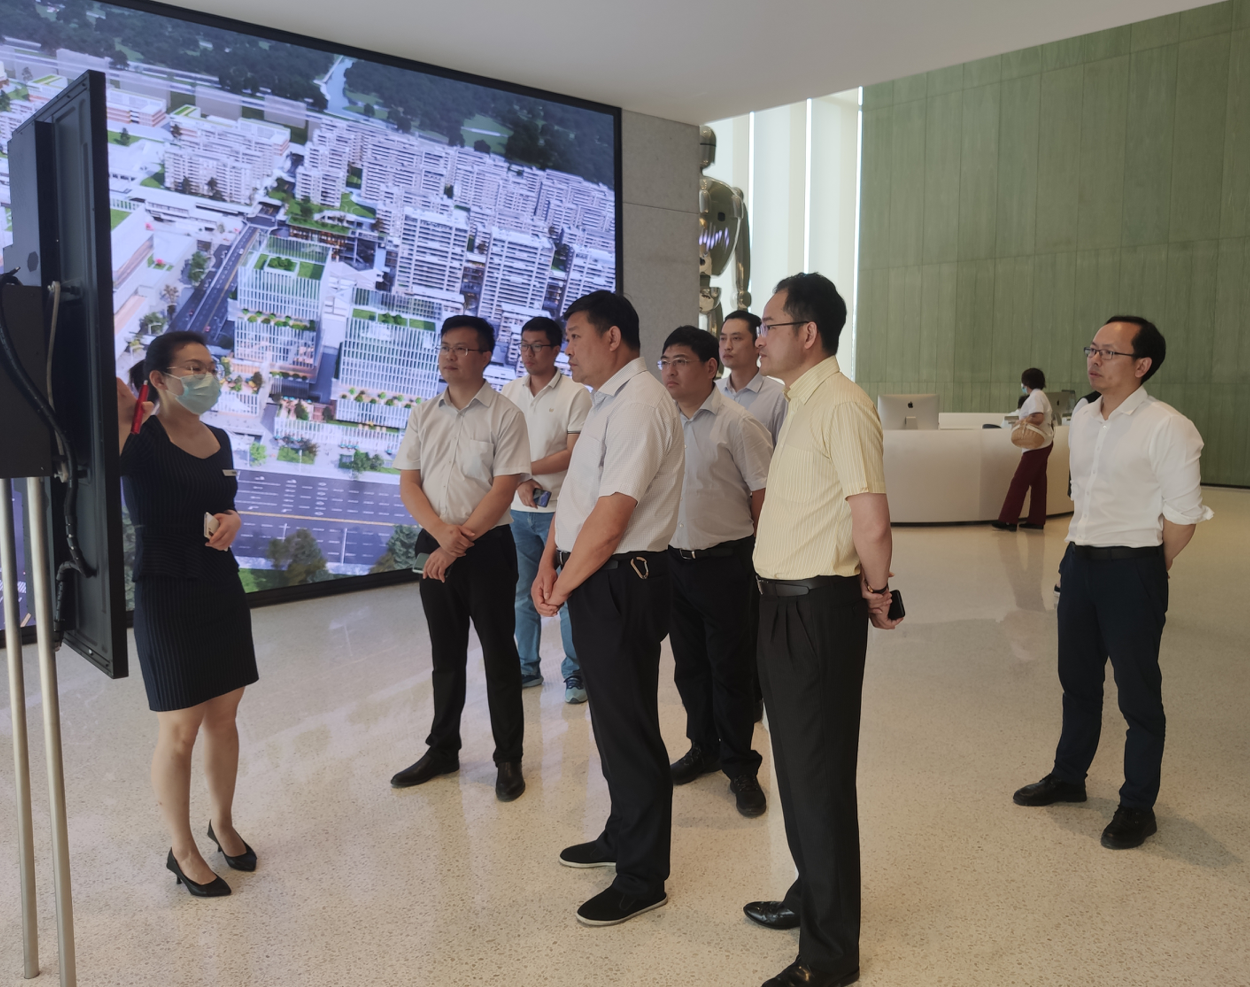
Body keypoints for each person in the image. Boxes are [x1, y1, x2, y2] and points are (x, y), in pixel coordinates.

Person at [742, 273, 902, 987]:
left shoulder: (842, 404)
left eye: (769, 325)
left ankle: (831, 954)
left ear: (808, 333)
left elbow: (872, 519)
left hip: (818, 610)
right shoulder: (799, 402)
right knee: (798, 769)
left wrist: (879, 591)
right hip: (781, 606)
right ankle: (811, 893)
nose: (759, 337)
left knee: (820, 777)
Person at [1013, 317, 1212, 850]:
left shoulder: (1168, 426)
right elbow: (1084, 496)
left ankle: (1138, 805)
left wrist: (1145, 567)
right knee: (1077, 681)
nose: (1094, 360)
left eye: (1109, 352)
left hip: (1133, 568)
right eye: (1092, 349)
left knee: (1138, 694)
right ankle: (1068, 777)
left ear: (1142, 365)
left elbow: (1184, 516)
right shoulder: (1082, 415)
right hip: (1079, 563)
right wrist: (1075, 558)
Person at [531, 291, 684, 927]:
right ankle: (623, 833)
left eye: (573, 336)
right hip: (593, 574)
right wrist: (550, 561)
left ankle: (643, 876)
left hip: (622, 579)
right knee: (611, 720)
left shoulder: (641, 403)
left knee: (629, 726)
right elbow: (579, 497)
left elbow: (614, 514)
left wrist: (564, 584)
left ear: (613, 337)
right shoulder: (605, 401)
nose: (565, 349)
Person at [114, 331, 258, 899]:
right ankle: (182, 850)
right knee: (180, 730)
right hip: (167, 588)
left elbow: (224, 504)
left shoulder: (219, 439)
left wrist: (234, 520)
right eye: (193, 368)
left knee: (225, 716)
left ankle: (222, 823)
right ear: (159, 379)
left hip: (220, 582)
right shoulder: (139, 437)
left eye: (210, 366)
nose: (207, 377)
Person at [390, 316, 532, 802]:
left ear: (486, 356)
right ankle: (443, 749)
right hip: (435, 541)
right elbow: (409, 483)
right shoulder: (423, 413)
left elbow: (504, 488)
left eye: (462, 349)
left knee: (499, 655)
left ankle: (508, 758)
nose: (450, 357)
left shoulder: (506, 415)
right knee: (445, 654)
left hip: (487, 547)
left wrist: (456, 543)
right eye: (445, 347)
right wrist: (440, 537)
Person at [659, 325, 772, 817]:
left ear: (710, 368)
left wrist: (762, 563)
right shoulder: (662, 420)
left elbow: (764, 496)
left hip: (726, 564)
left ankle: (740, 766)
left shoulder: (738, 424)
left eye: (681, 361)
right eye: (665, 361)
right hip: (674, 562)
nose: (669, 371)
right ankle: (702, 748)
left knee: (731, 671)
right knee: (690, 667)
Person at [501, 316, 592, 703]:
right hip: (518, 513)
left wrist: (523, 470)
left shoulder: (576, 394)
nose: (528, 353)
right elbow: (499, 449)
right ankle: (527, 667)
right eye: (524, 345)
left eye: (537, 345)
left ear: (556, 349)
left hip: (562, 512)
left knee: (566, 592)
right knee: (522, 593)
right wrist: (520, 480)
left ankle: (576, 673)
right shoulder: (509, 391)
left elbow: (574, 453)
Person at [992, 368, 1053, 532]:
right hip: (1045, 442)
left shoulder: (1035, 397)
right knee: (1039, 482)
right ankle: (1036, 519)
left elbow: (1037, 417)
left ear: (1026, 382)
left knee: (1019, 481)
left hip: (1035, 446)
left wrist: (1021, 421)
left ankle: (1008, 519)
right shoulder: (1041, 395)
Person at [717, 309, 787, 444]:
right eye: (723, 339)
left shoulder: (778, 397)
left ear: (757, 344)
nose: (727, 346)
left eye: (736, 338)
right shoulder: (713, 391)